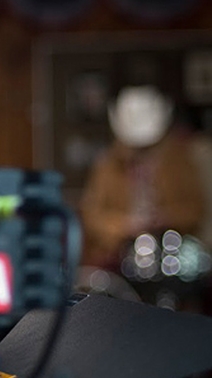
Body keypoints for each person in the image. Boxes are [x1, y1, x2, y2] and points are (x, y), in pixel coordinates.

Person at [80, 85, 206, 269]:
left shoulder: (179, 162)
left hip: (172, 255)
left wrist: (167, 217)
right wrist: (126, 225)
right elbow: (92, 216)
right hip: (118, 256)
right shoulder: (107, 167)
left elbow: (196, 210)